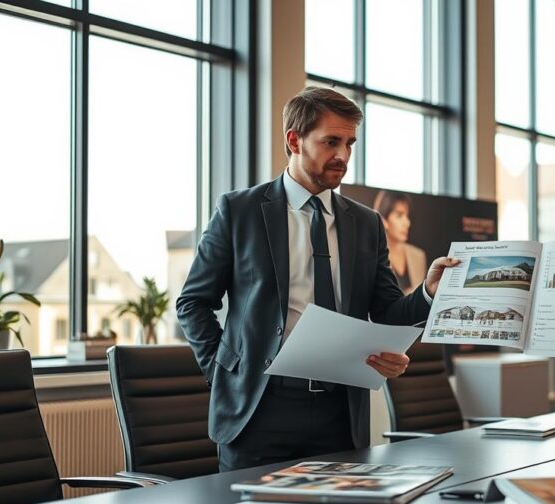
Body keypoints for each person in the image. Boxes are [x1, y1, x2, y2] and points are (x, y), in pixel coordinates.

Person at [177, 87, 459, 472]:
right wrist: (223, 371)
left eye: (349, 143)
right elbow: (192, 302)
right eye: (331, 141)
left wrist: (427, 292)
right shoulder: (239, 211)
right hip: (258, 410)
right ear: (294, 140)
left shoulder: (366, 223)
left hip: (339, 414)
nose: (343, 155)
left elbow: (389, 311)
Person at [373, 190, 428, 294]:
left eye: (407, 216)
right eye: (399, 216)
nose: (407, 223)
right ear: (383, 220)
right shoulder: (373, 255)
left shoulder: (418, 255)